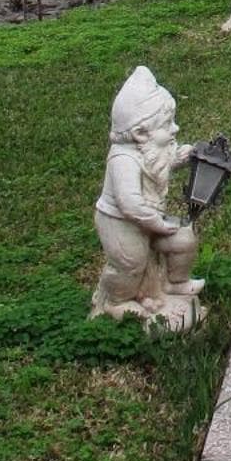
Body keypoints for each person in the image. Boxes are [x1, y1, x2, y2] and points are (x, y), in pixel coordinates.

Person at [90, 67, 203, 327]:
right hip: (120, 223)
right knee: (131, 262)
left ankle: (175, 283)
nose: (175, 128)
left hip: (150, 218)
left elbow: (158, 166)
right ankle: (116, 300)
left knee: (184, 239)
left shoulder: (148, 150)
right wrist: (157, 224)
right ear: (140, 133)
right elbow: (129, 204)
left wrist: (181, 157)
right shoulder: (123, 159)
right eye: (167, 124)